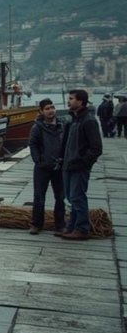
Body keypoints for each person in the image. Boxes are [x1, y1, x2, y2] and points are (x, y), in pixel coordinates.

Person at [59, 90, 103, 240]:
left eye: (71, 99)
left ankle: (82, 228)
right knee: (71, 198)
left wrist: (84, 163)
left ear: (81, 102)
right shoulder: (73, 119)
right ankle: (72, 225)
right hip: (67, 165)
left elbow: (96, 148)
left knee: (78, 197)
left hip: (78, 166)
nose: (68, 101)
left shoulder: (88, 121)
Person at [27, 98, 65, 235]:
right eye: (47, 108)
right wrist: (38, 160)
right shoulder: (37, 127)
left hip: (59, 167)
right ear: (41, 111)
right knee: (39, 196)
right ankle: (36, 224)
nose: (51, 111)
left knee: (60, 197)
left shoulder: (63, 125)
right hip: (42, 167)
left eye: (52, 107)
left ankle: (60, 225)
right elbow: (33, 144)